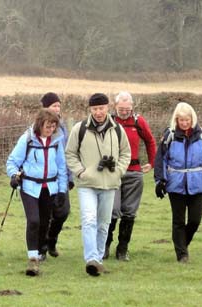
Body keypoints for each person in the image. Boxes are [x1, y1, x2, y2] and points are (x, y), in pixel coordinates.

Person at [65, 93, 131, 276]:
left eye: (101, 108)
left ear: (107, 108)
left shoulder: (117, 129)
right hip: (87, 184)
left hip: (109, 184)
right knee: (88, 220)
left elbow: (126, 153)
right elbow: (70, 153)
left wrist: (118, 171)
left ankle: (99, 259)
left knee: (103, 224)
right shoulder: (79, 129)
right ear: (90, 110)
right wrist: (80, 172)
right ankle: (91, 259)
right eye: (95, 109)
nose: (98, 112)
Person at [154, 102, 202, 263]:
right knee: (178, 221)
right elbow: (161, 160)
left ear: (192, 119)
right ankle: (182, 255)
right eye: (181, 120)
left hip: (197, 183)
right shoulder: (169, 137)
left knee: (195, 220)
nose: (184, 123)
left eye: (187, 120)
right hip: (175, 184)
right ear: (177, 120)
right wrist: (160, 181)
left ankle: (181, 244)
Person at [6, 109, 68, 276]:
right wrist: (14, 176)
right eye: (48, 126)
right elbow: (12, 161)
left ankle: (41, 251)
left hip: (50, 187)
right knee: (33, 220)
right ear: (40, 124)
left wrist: (62, 191)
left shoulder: (56, 141)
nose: (50, 130)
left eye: (53, 126)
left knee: (44, 222)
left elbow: (62, 167)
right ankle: (32, 256)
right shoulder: (27, 139)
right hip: (30, 187)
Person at [105, 91, 156, 261]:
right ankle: (104, 247)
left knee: (129, 212)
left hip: (134, 172)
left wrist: (152, 162)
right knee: (112, 210)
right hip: (113, 172)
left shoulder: (138, 121)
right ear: (115, 106)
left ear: (132, 107)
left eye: (127, 108)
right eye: (121, 108)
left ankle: (122, 249)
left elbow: (150, 141)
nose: (124, 111)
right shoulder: (108, 121)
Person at [39, 92, 73, 260]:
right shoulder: (37, 129)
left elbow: (68, 154)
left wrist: (70, 177)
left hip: (61, 177)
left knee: (63, 212)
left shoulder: (63, 128)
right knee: (45, 214)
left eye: (59, 105)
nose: (57, 109)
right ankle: (42, 247)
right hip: (43, 178)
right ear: (45, 108)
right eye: (53, 106)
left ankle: (52, 239)